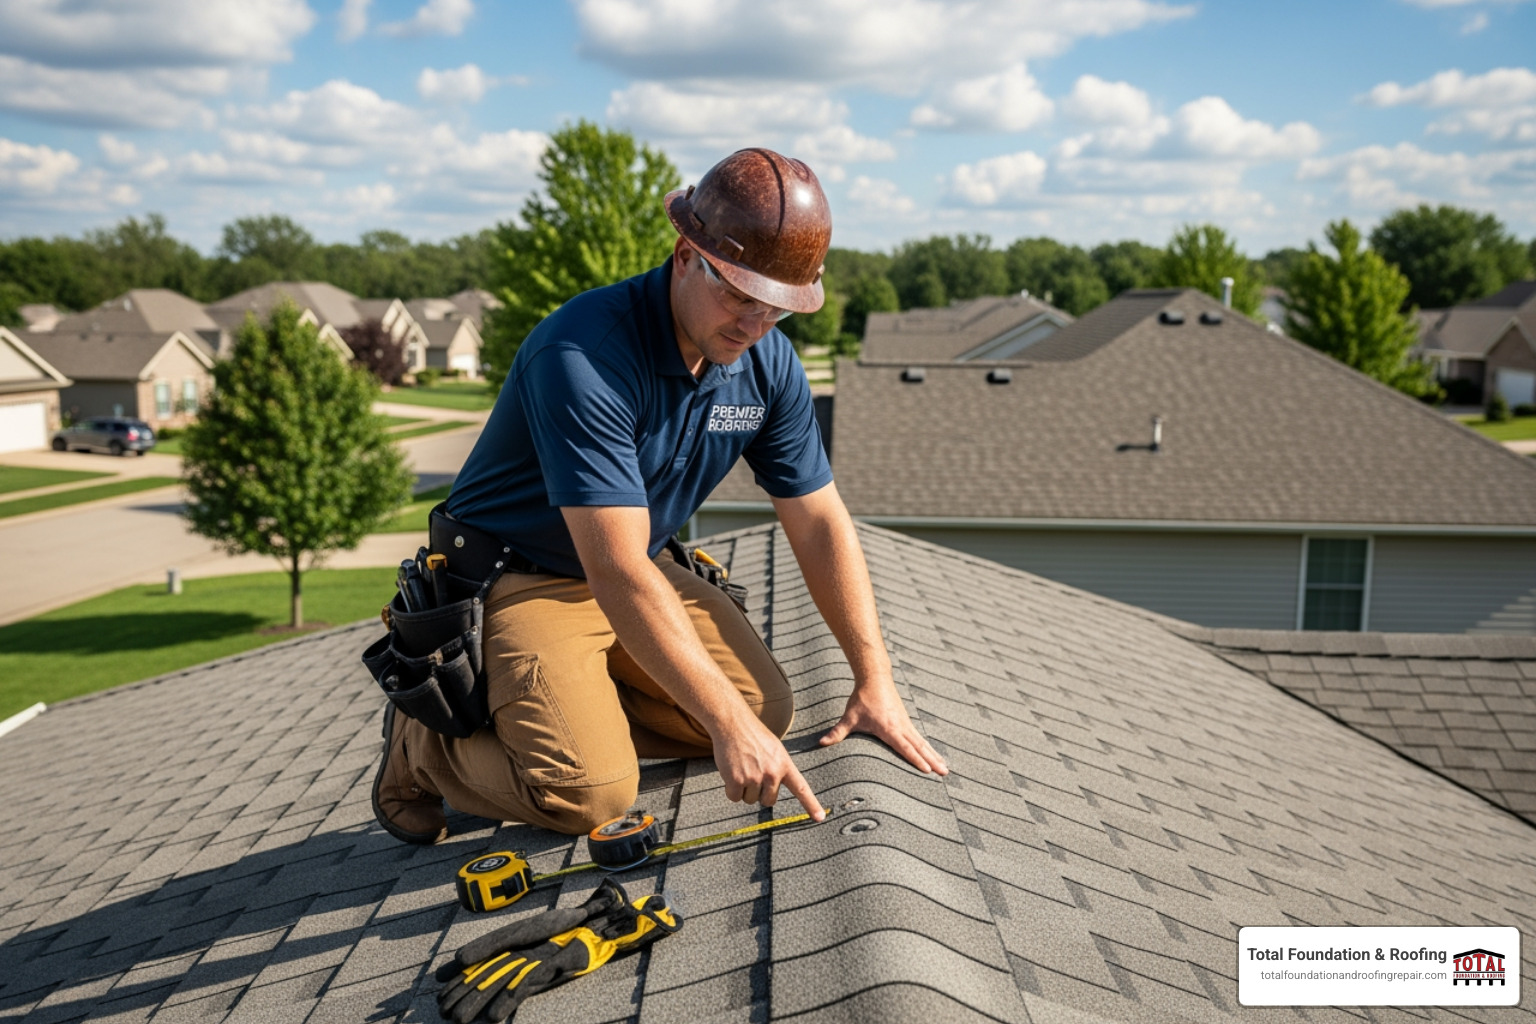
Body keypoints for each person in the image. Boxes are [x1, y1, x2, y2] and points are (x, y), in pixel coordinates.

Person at [372, 148, 947, 844]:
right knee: (590, 791)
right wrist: (723, 723)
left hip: (636, 568)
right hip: (526, 577)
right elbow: (611, 569)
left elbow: (820, 521)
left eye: (776, 309)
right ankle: (422, 748)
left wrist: (873, 678)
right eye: (738, 294)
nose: (753, 325)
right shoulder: (584, 357)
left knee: (764, 710)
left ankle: (571, 708)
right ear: (685, 254)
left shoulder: (765, 364)